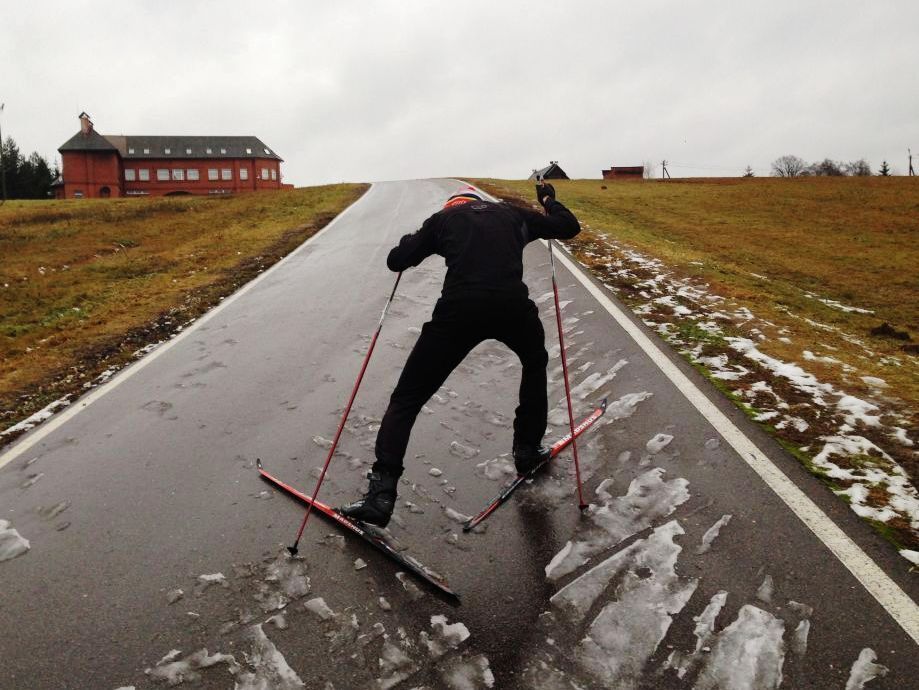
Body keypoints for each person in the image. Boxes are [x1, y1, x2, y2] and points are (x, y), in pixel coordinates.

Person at [340, 182, 581, 527]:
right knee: (534, 363)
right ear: (478, 201)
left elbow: (397, 261)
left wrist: (413, 241)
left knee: (407, 397)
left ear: (452, 204)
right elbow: (568, 227)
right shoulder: (511, 214)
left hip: (458, 312)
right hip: (512, 308)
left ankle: (381, 495)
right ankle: (527, 451)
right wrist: (549, 202)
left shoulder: (442, 221)